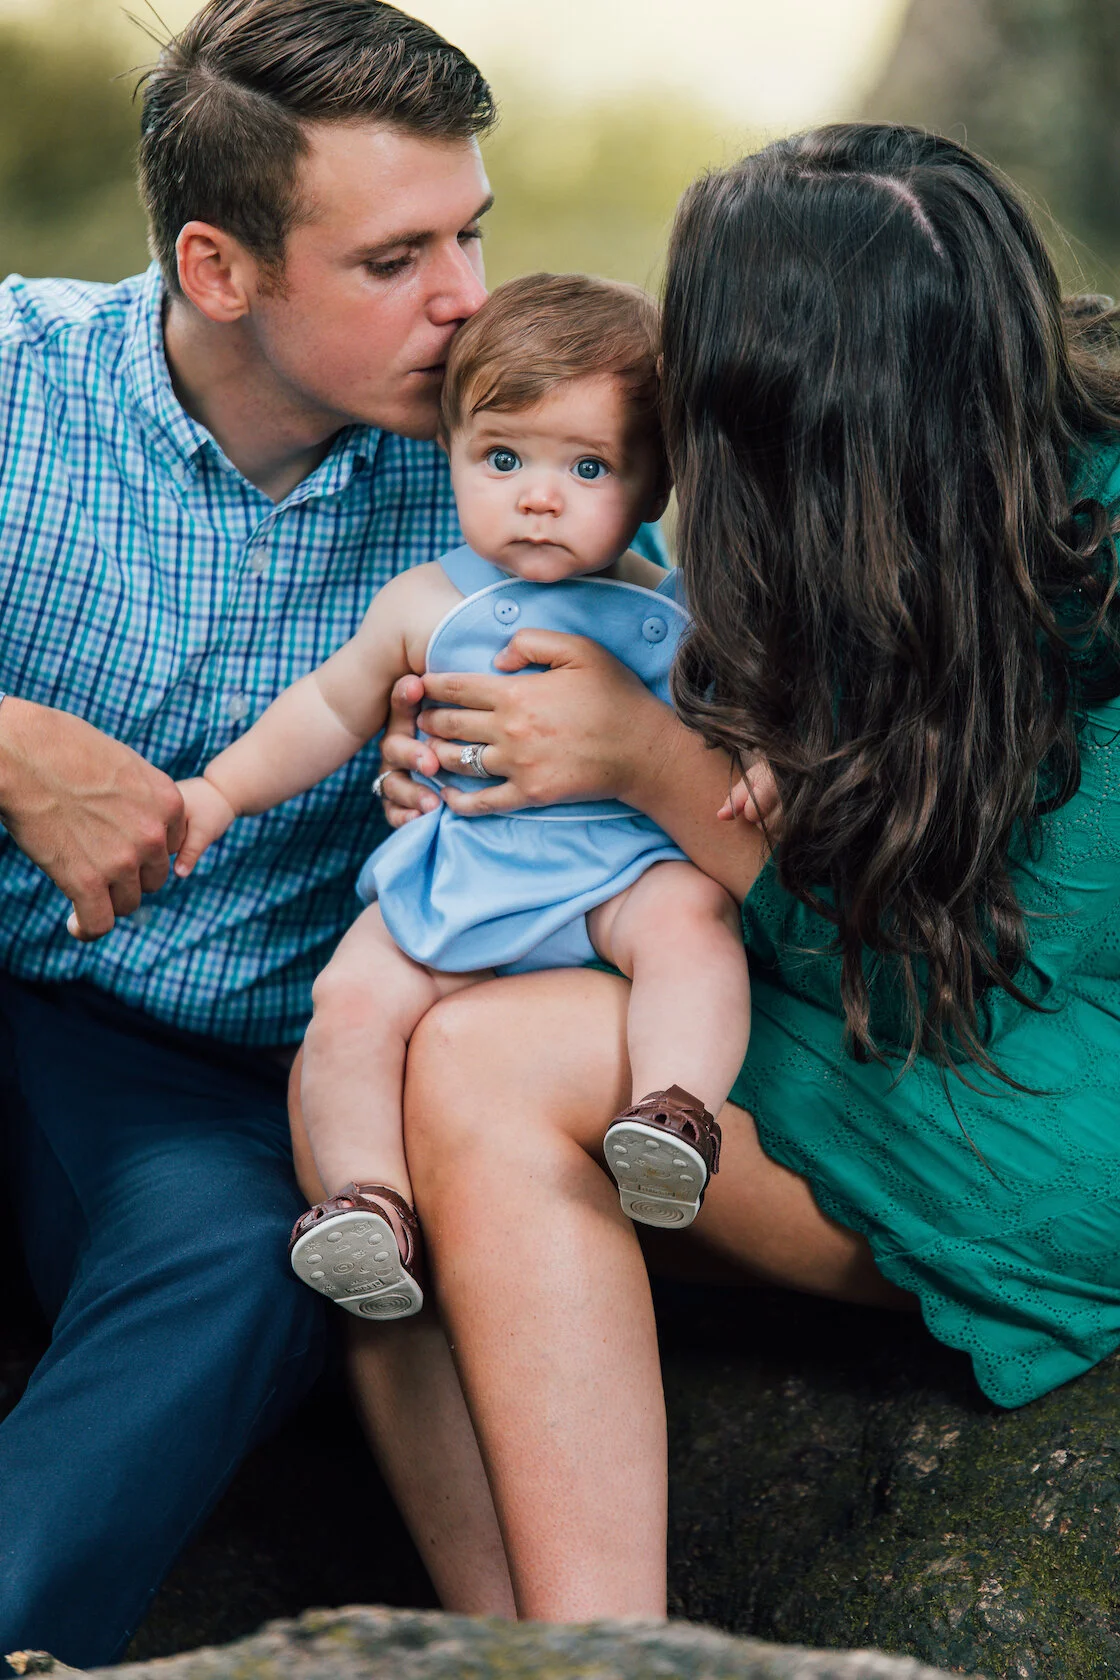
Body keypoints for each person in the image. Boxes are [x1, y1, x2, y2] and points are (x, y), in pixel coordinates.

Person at [346, 124, 1120, 1623]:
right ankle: (521, 1654)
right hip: (867, 1006)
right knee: (391, 1099)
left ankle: (600, 1652)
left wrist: (642, 765)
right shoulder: (852, 509)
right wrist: (482, 763)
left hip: (1049, 1086)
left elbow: (988, 968)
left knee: (481, 1070)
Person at [0, 0, 542, 1664]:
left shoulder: (508, 471)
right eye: (395, 260)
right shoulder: (20, 385)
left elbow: (700, 690)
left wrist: (570, 763)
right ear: (220, 269)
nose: (462, 301)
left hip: (201, 1079)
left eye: (471, 234)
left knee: (250, 1255)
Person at [171, 273, 746, 1318]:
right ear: (452, 453)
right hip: (460, 874)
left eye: (587, 466)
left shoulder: (666, 611)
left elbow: (736, 721)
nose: (539, 494)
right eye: (502, 458)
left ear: (655, 485)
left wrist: (757, 767)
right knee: (348, 1004)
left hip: (608, 871)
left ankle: (674, 1114)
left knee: (692, 919)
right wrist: (217, 790)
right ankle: (368, 1201)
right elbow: (324, 711)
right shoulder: (425, 603)